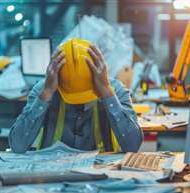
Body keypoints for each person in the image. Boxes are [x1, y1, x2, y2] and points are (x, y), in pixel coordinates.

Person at [9, 38, 143, 153]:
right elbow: (18, 146)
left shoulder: (115, 90)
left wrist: (107, 94)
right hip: (53, 176)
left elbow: (132, 146)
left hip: (100, 176)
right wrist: (46, 94)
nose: (80, 104)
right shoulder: (44, 89)